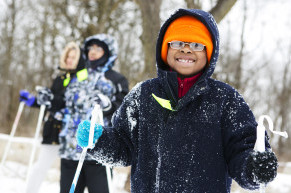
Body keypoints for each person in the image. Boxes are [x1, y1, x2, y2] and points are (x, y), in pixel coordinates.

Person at [76, 8, 278, 193]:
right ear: (165, 49)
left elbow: (242, 151)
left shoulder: (225, 99)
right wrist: (98, 140)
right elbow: (123, 146)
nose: (186, 49)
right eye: (178, 43)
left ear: (209, 53)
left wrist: (254, 167)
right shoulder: (143, 95)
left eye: (197, 45)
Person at [58, 33, 129, 193]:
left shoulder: (116, 79)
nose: (93, 51)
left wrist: (108, 105)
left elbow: (123, 109)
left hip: (99, 150)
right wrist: (48, 100)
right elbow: (63, 103)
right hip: (71, 149)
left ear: (109, 52)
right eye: (91, 47)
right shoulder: (78, 76)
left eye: (98, 48)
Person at [19, 41, 85, 193]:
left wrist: (50, 99)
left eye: (73, 57)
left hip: (71, 133)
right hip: (53, 131)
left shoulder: (82, 79)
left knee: (70, 174)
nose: (69, 60)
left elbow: (69, 102)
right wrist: (33, 100)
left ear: (80, 59)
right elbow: (51, 102)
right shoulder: (60, 78)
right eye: (68, 57)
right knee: (39, 167)